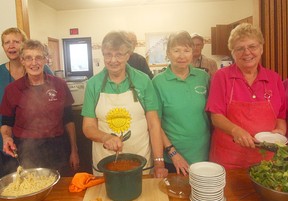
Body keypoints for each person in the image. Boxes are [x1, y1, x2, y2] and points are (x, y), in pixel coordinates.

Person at [81, 31, 167, 178]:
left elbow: (153, 124)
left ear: (128, 55)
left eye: (119, 54)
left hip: (141, 159)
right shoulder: (93, 84)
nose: (113, 60)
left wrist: (159, 162)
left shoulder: (143, 81)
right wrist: (105, 138)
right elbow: (88, 127)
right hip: (105, 161)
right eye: (108, 54)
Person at [206, 23, 286, 169]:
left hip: (265, 160)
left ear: (261, 48)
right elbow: (216, 116)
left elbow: (281, 114)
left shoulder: (274, 78)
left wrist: (280, 130)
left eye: (252, 46)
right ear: (233, 53)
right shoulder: (221, 77)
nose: (247, 52)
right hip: (228, 159)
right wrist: (236, 131)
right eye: (240, 48)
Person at [0, 39, 79, 175]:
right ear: (22, 61)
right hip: (26, 150)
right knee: (31, 187)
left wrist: (74, 150)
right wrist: (6, 138)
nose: (34, 63)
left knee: (58, 190)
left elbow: (68, 119)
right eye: (29, 58)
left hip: (57, 147)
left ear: (45, 60)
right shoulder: (12, 90)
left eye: (39, 57)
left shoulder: (59, 84)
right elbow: (6, 123)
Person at [152, 31, 211, 176]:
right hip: (173, 158)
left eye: (186, 50)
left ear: (192, 53)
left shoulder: (203, 77)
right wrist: (172, 153)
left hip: (205, 154)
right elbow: (155, 124)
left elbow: (212, 114)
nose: (182, 56)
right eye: (176, 50)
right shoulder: (158, 82)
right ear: (168, 53)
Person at [0, 27, 54, 177]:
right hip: (7, 140)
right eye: (7, 42)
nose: (11, 46)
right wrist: (6, 137)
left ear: (24, 45)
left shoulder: (43, 70)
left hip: (42, 142)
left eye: (16, 41)